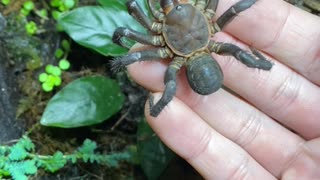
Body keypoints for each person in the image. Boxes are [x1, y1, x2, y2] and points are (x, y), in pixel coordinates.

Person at [128, 0, 320, 179]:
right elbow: (237, 8)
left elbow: (125, 32)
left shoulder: (163, 43)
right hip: (204, 61)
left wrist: (123, 40)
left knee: (157, 72)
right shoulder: (207, 14)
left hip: (186, 63)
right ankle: (264, 65)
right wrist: (261, 62)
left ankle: (157, 109)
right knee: (237, 46)